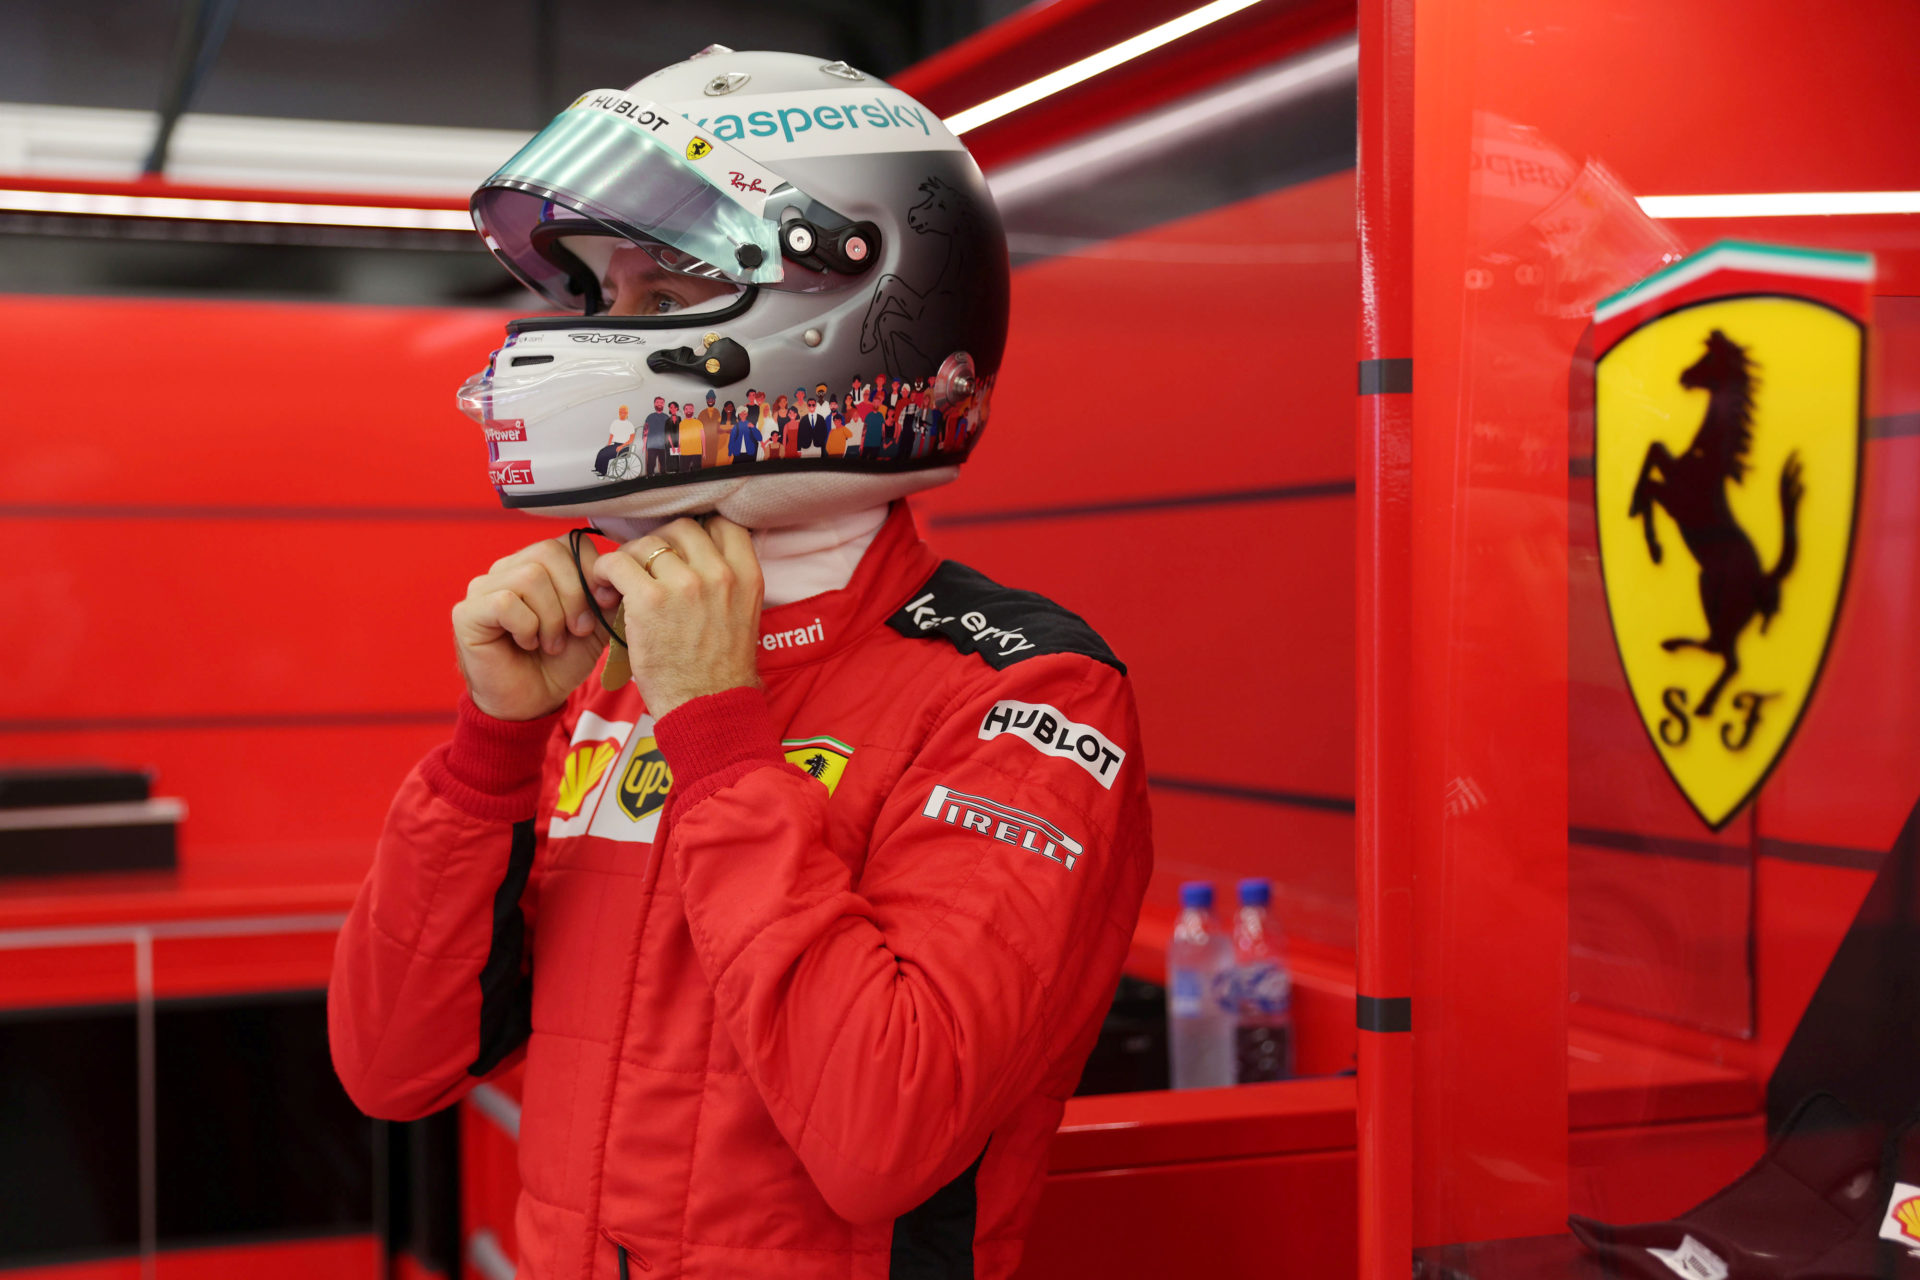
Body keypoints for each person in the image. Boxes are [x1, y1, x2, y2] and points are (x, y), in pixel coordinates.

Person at [336, 49, 1148, 1280]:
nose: (599, 338)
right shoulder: (609, 661)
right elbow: (393, 1065)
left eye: (659, 298)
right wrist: (490, 748)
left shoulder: (1024, 691)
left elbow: (884, 1133)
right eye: (598, 298)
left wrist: (718, 730)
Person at [595, 404, 634, 476]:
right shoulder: (615, 422)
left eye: (624, 412)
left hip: (624, 447)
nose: (622, 414)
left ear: (627, 414)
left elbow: (631, 439)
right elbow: (611, 435)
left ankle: (603, 472)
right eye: (620, 412)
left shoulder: (629, 424)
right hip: (615, 445)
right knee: (602, 451)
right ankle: (598, 469)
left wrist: (622, 446)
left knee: (606, 454)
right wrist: (608, 444)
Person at [641, 396, 672, 477]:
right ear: (654, 404)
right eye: (657, 402)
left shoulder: (666, 417)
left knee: (664, 466)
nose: (659, 404)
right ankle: (650, 480)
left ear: (664, 404)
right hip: (652, 446)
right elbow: (645, 431)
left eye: (661, 403)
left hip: (663, 446)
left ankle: (663, 481)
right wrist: (644, 445)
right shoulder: (650, 417)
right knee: (650, 466)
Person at [698, 390, 724, 469]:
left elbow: (719, 426)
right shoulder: (702, 413)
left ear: (715, 400)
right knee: (704, 460)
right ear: (706, 400)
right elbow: (699, 428)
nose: (710, 401)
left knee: (714, 459)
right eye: (709, 399)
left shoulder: (717, 412)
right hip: (704, 442)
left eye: (712, 399)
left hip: (715, 441)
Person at [677, 402, 703, 475]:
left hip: (697, 451)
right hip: (685, 451)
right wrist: (679, 446)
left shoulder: (698, 422)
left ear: (693, 410)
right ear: (684, 411)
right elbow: (680, 436)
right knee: (683, 471)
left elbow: (702, 436)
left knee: (697, 471)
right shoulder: (681, 423)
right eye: (686, 409)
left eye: (691, 409)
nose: (689, 410)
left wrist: (703, 449)